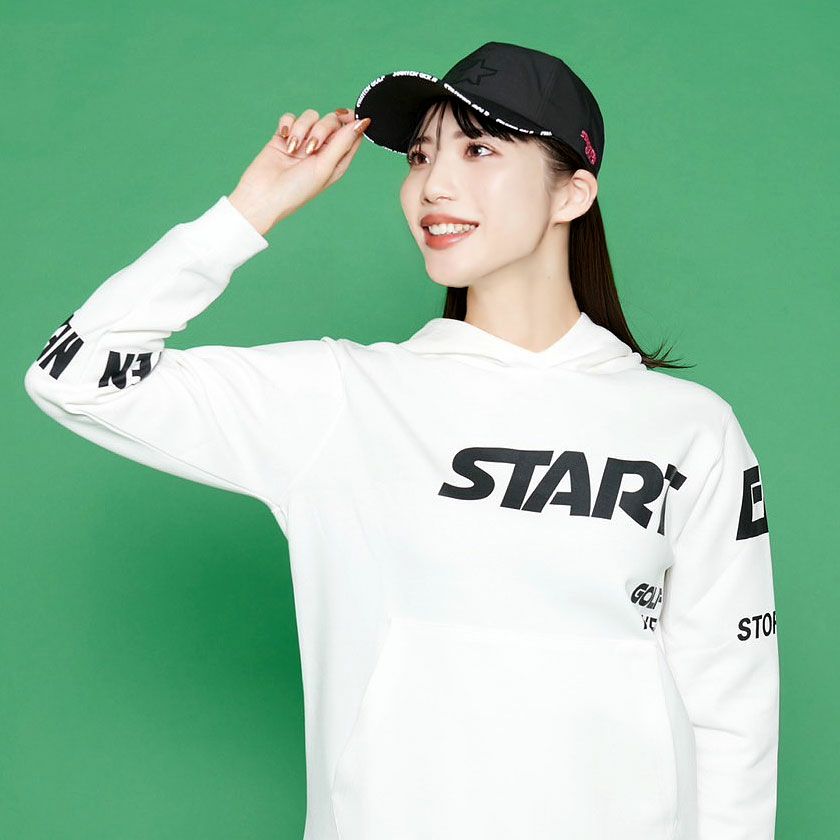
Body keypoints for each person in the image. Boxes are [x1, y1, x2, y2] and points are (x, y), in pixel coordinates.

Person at [24, 41, 779, 840]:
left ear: (572, 192)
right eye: (420, 156)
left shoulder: (689, 429)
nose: (432, 185)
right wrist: (247, 213)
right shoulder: (340, 402)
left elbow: (732, 712)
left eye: (478, 150)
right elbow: (75, 374)